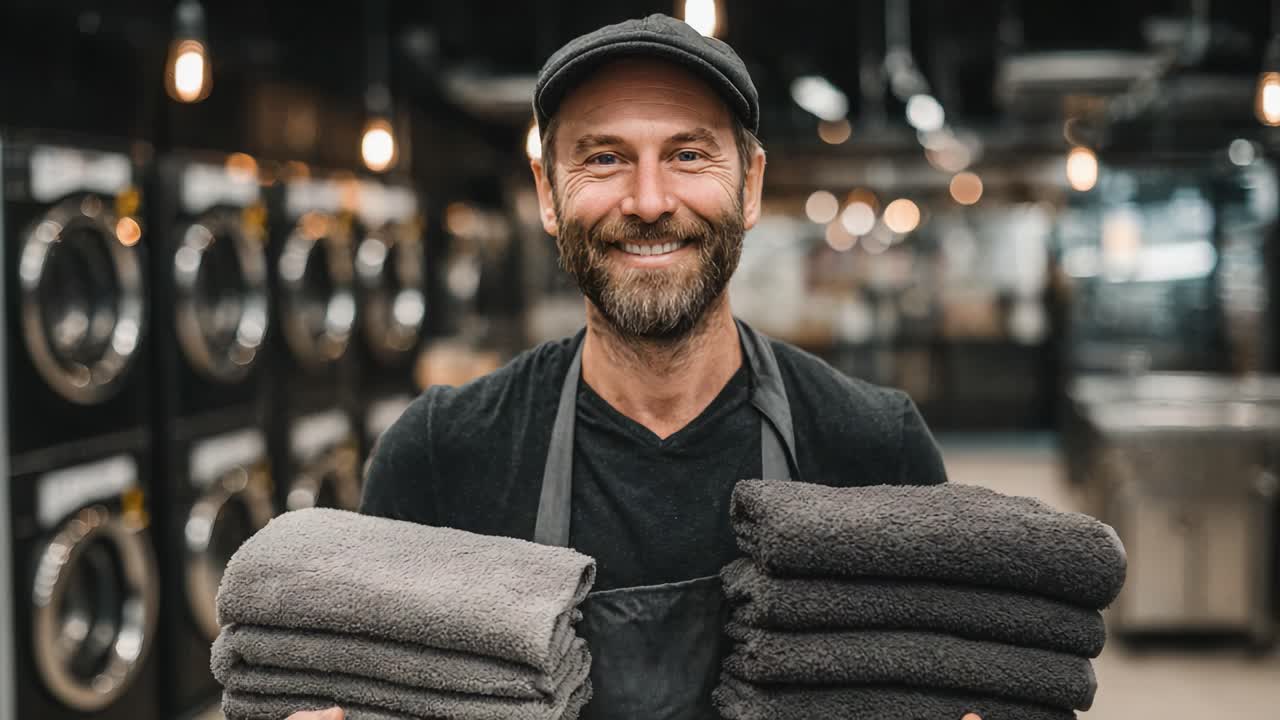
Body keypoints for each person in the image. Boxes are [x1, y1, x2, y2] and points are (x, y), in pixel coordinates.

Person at [286, 13, 951, 720]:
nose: (649, 201)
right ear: (548, 192)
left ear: (749, 185)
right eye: (603, 158)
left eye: (689, 155)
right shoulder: (441, 456)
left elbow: (946, 676)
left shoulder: (875, 446)